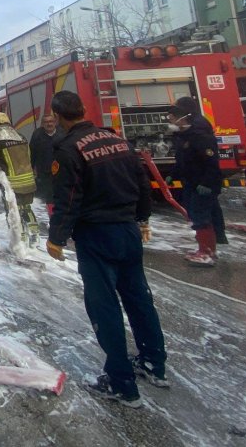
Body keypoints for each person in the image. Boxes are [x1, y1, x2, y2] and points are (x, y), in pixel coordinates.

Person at [46, 90, 168, 408]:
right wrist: (142, 218)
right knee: (139, 298)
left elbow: (69, 198)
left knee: (105, 307)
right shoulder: (118, 141)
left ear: (58, 116)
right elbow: (142, 183)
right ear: (84, 109)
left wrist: (56, 237)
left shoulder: (70, 149)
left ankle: (121, 384)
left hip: (97, 235)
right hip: (128, 231)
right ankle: (154, 364)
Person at [167, 96, 225, 265]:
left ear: (184, 116)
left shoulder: (199, 136)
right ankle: (206, 249)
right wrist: (174, 174)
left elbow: (211, 163)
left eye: (172, 115)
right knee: (198, 215)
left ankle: (206, 252)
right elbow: (184, 160)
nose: (170, 119)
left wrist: (207, 183)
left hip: (202, 184)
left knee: (201, 217)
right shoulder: (186, 135)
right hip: (192, 181)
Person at [0, 112, 39, 246]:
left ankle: (19, 240)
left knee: (13, 210)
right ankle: (34, 234)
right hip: (29, 180)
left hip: (11, 183)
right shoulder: (21, 136)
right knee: (26, 207)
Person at [29, 112, 63, 217]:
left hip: (62, 171)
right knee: (49, 196)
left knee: (62, 194)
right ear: (42, 124)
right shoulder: (37, 135)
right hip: (45, 171)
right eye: (46, 122)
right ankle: (52, 216)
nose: (49, 124)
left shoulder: (62, 133)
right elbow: (32, 152)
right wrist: (31, 167)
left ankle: (63, 214)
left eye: (51, 121)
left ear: (55, 122)